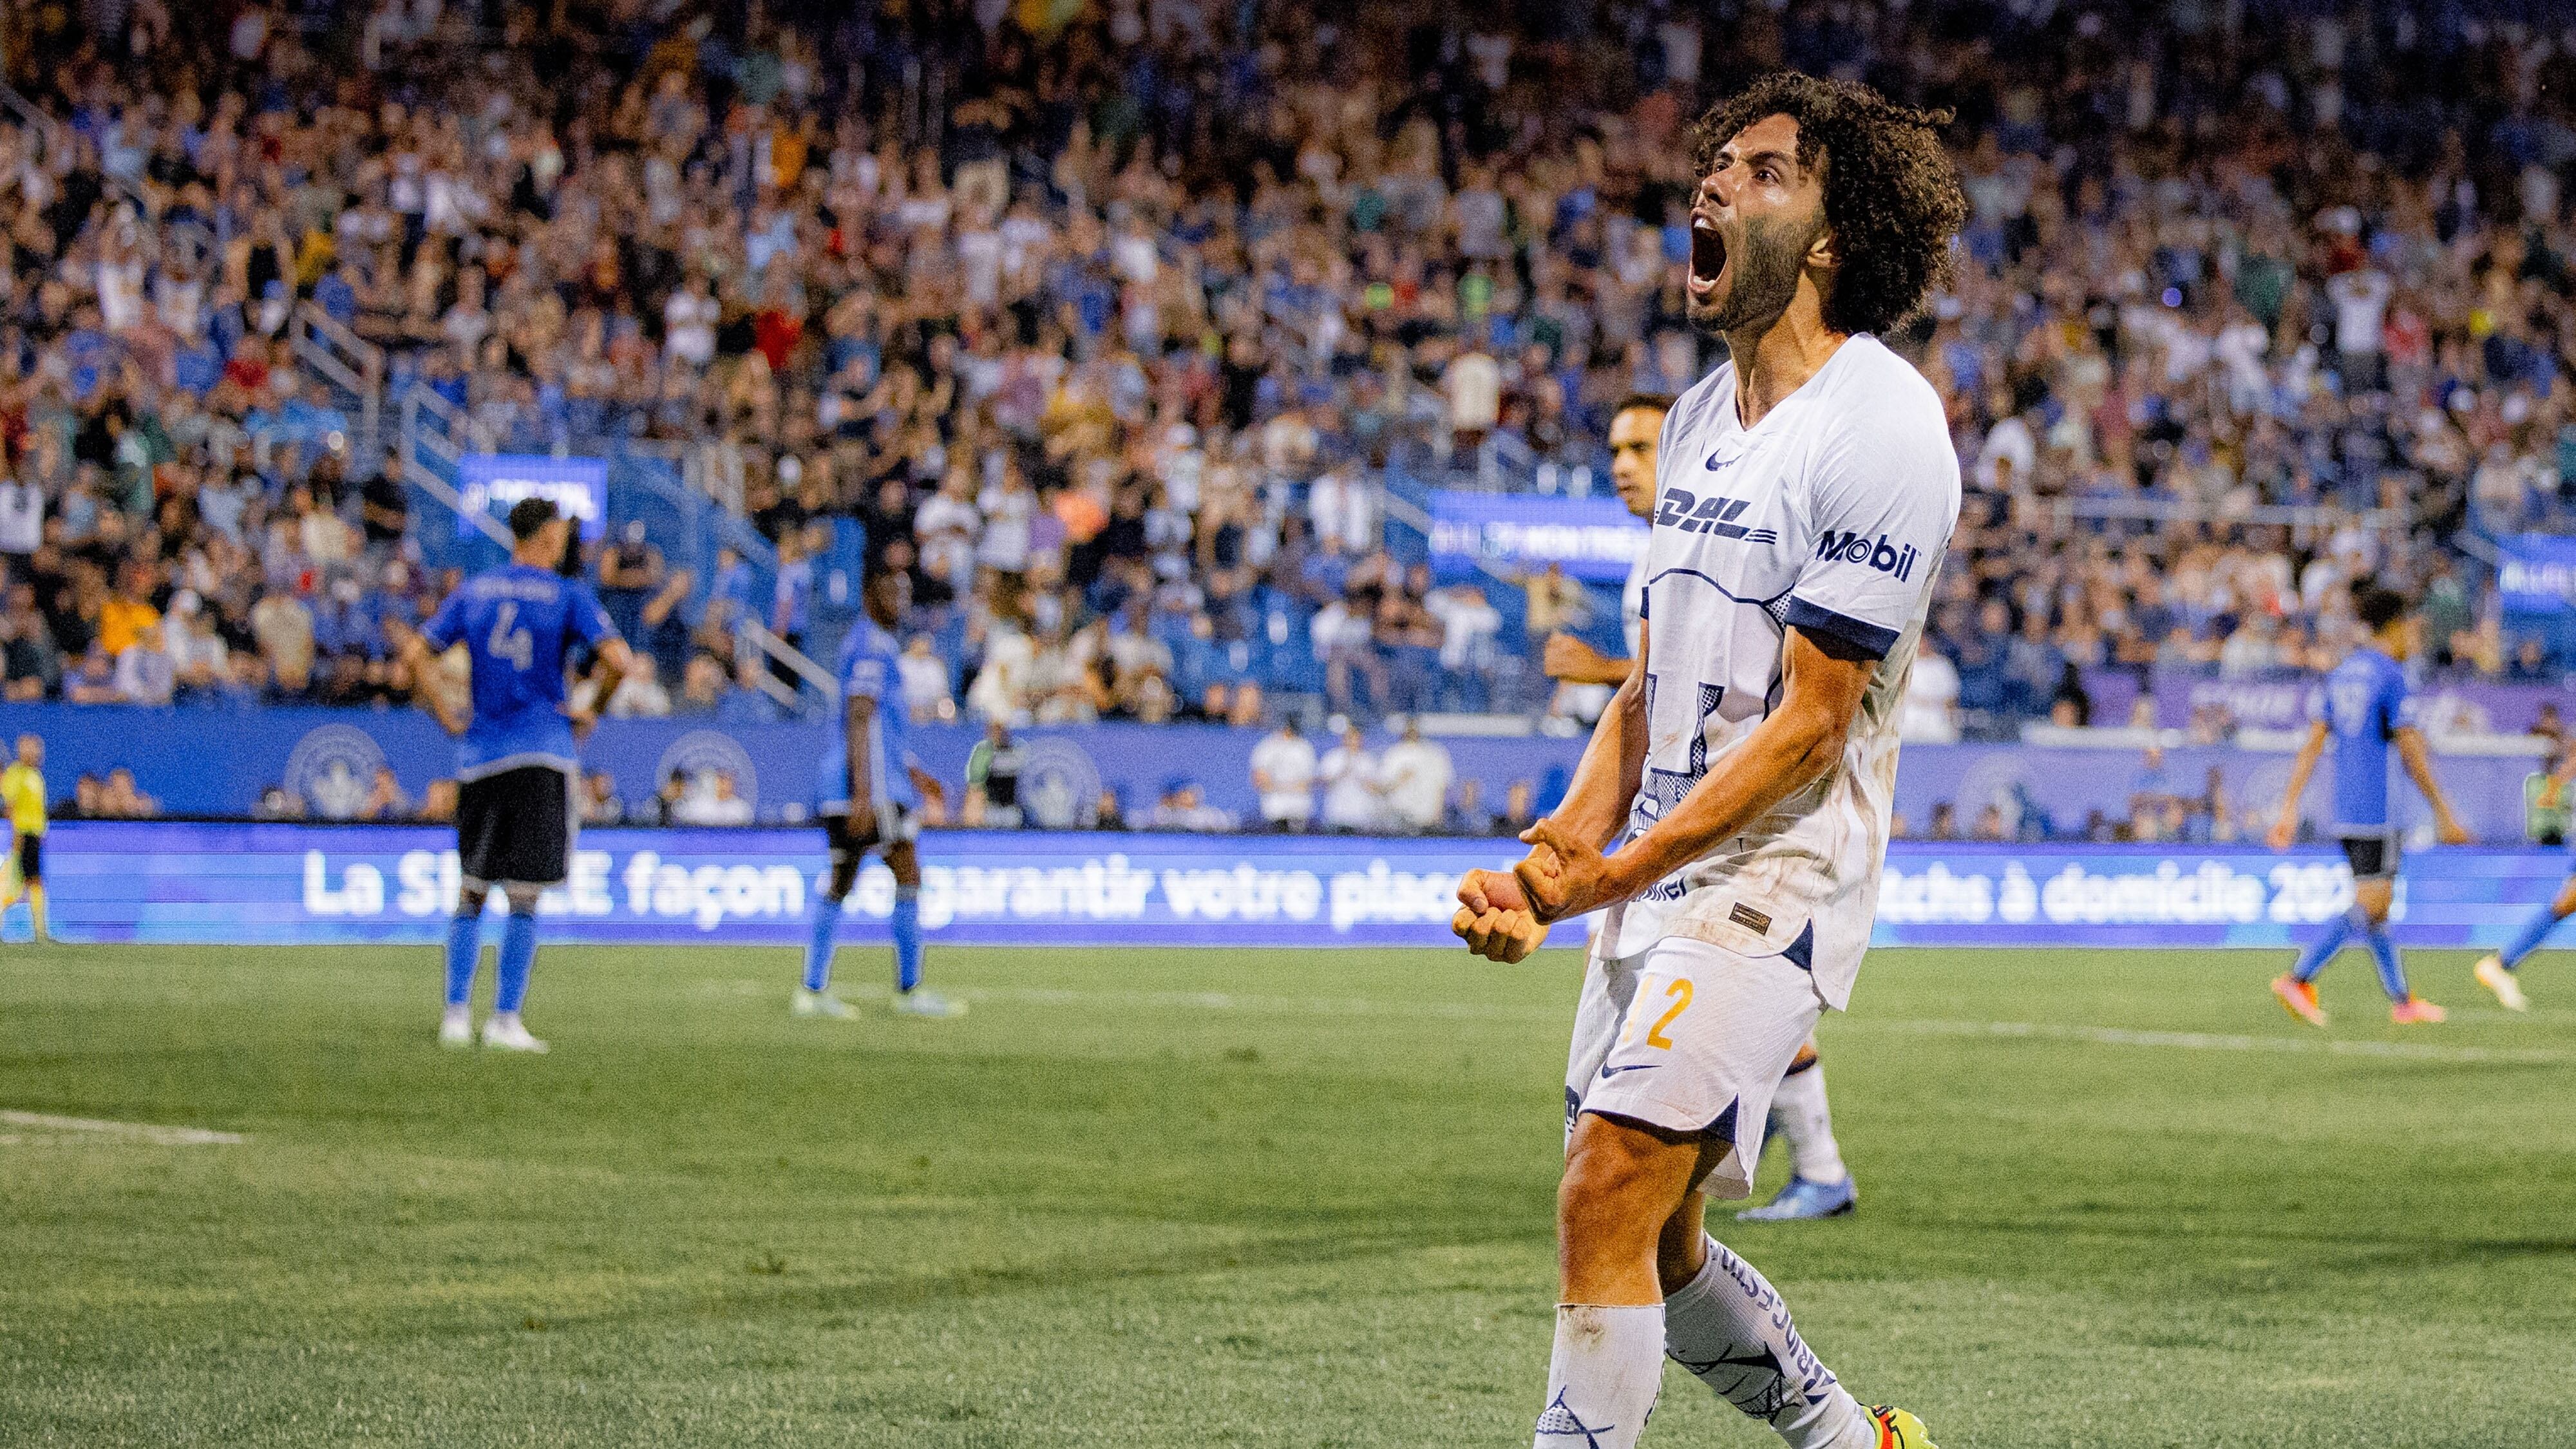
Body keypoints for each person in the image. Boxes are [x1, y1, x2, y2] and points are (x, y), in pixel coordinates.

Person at [1450, 74, 1960, 1449]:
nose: (1712, 186)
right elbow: (1643, 685)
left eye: (1760, 170)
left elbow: (1806, 730)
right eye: (1712, 166)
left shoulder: (1881, 422)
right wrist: (1554, 857)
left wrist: (1609, 868)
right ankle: (1850, 1440)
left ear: (1835, 233)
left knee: (1602, 1191)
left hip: (1772, 873)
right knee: (1657, 1247)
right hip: (1653, 880)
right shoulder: (1687, 423)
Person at [406, 498, 633, 1053]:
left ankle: (455, 1014)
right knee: (525, 895)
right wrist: (593, 707)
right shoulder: (565, 594)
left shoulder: (475, 591)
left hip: (481, 755)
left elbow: (416, 654)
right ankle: (505, 1019)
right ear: (548, 537)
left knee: (472, 888)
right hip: (541, 751)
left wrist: (445, 713)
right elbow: (619, 660)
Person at [2268, 583, 2472, 1027]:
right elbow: (2412, 752)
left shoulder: (2342, 673)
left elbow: (2311, 745)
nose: (2413, 641)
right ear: (2396, 627)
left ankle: (2402, 999)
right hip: (2380, 811)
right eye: (2411, 631)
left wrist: (2288, 808)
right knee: (2374, 904)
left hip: (2344, 811)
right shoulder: (2391, 676)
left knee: (2378, 906)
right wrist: (2444, 812)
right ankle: (2299, 977)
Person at [799, 565, 960, 1020]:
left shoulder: (873, 643)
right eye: (891, 589)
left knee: (843, 879)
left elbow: (880, 728)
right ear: (870, 594)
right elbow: (860, 715)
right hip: (869, 787)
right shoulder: (873, 645)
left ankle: (812, 990)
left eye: (907, 590)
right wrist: (864, 794)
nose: (902, 599)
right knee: (907, 872)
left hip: (866, 781)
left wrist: (916, 772)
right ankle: (908, 992)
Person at [1542, 393, 1672, 690]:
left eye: (1640, 448)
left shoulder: (1707, 554)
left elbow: (1709, 675)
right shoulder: (1648, 557)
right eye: (1616, 452)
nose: (1621, 467)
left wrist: (1604, 669)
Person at [0, 735, 50, 942]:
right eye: (33, 749)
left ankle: (41, 932)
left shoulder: (35, 775)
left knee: (30, 882)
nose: (38, 753)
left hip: (35, 836)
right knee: (18, 884)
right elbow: (9, 806)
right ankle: (40, 932)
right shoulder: (16, 774)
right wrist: (16, 833)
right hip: (23, 835)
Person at [1378, 715, 1455, 833]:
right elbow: (1384, 789)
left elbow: (1442, 786)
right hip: (1400, 820)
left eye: (1414, 728)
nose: (1412, 731)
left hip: (1427, 819)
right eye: (1409, 728)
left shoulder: (1436, 753)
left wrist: (1438, 814)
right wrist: (1400, 780)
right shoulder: (1393, 755)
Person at [1249, 717, 1318, 831]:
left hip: (1299, 808)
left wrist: (1279, 786)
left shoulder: (1304, 747)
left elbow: (1308, 783)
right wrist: (1288, 787)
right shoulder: (1267, 747)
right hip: (1275, 807)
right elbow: (1260, 779)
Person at [1318, 720, 1381, 833]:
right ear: (1344, 739)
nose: (1353, 741)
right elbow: (1325, 784)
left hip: (1361, 816)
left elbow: (1376, 789)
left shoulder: (1368, 760)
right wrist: (1342, 772)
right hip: (1337, 815)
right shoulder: (1333, 757)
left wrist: (1362, 779)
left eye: (1356, 738)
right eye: (1349, 738)